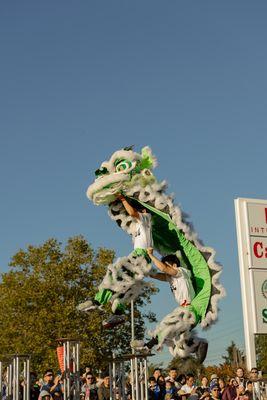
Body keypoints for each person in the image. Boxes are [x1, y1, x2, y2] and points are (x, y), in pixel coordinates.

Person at [77, 194, 153, 328]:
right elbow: (125, 219)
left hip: (140, 257)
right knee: (123, 289)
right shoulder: (138, 228)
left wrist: (122, 199)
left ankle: (96, 302)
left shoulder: (145, 218)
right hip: (141, 259)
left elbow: (132, 212)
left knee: (116, 276)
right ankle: (117, 314)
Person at [139, 248, 207, 363]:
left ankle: (148, 346)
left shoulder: (181, 272)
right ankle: (197, 345)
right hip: (182, 309)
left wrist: (151, 255)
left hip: (189, 310)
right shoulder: (171, 277)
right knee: (170, 333)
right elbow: (157, 274)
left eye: (168, 266)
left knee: (167, 327)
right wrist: (146, 270)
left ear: (174, 265)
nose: (166, 271)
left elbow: (163, 268)